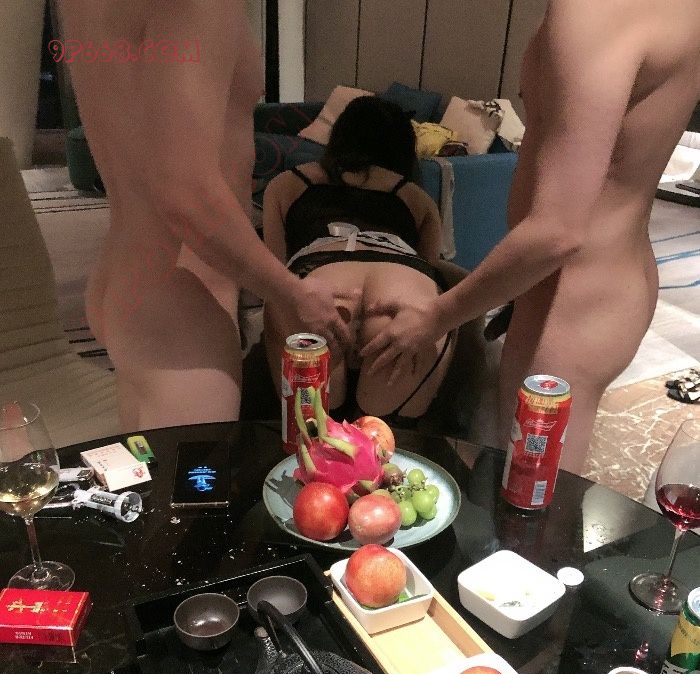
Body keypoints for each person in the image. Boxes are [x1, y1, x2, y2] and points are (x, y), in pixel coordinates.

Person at [361, 0, 700, 472]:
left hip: (573, 298)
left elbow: (557, 231)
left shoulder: (594, 11)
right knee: (528, 489)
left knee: (530, 501)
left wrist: (436, 317)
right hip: (596, 278)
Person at [56, 0, 347, 430]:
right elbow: (185, 195)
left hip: (131, 282)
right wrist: (294, 294)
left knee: (151, 471)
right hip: (180, 311)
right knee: (193, 476)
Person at [262, 96, 454, 418]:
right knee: (391, 440)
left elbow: (273, 270)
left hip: (321, 282)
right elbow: (429, 267)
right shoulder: (418, 199)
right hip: (403, 285)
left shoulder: (286, 184)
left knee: (309, 434)